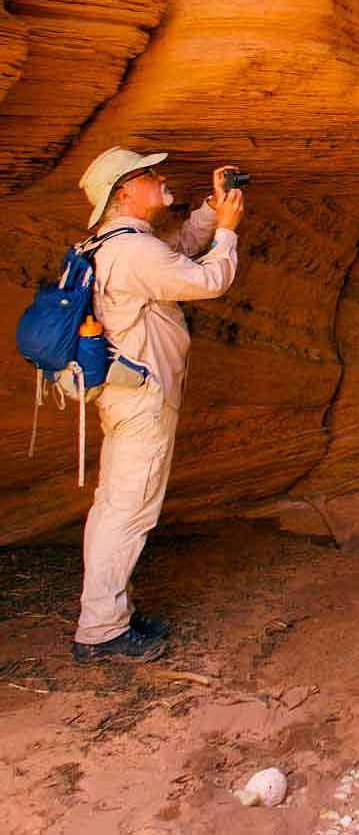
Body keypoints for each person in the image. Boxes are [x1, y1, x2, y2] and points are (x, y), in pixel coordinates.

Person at [69, 146, 245, 663]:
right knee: (128, 512)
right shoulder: (131, 252)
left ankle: (109, 614)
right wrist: (229, 230)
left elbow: (176, 251)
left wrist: (212, 210)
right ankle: (101, 631)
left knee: (114, 507)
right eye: (149, 175)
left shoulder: (119, 243)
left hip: (128, 394)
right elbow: (209, 279)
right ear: (125, 192)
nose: (160, 178)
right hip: (143, 400)